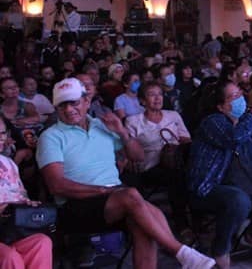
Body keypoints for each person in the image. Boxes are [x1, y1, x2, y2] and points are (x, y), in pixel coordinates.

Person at [36, 78, 215, 269]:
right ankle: (181, 252)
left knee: (143, 221)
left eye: (74, 103)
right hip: (75, 206)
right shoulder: (51, 137)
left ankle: (184, 256)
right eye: (62, 105)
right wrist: (104, 191)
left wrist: (122, 132)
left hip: (114, 200)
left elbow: (137, 156)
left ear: (87, 101)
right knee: (132, 197)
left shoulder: (101, 124)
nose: (69, 110)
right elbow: (57, 185)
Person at [188, 81, 252, 267]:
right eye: (233, 97)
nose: (240, 99)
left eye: (239, 94)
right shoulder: (212, 122)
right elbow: (235, 138)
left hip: (248, 182)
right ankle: (220, 248)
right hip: (213, 187)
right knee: (239, 199)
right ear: (220, 106)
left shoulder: (247, 119)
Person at [124, 81, 192, 240]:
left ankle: (198, 218)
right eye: (151, 94)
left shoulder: (173, 115)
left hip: (176, 162)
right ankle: (182, 224)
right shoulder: (133, 121)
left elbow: (186, 140)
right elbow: (130, 150)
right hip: (149, 167)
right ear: (142, 101)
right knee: (175, 176)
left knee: (182, 172)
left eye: (160, 94)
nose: (157, 98)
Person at [0, 118, 54, 269]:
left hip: (9, 229)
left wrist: (27, 204)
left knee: (42, 242)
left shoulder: (8, 163)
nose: (0, 138)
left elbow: (21, 197)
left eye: (2, 133)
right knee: (9, 257)